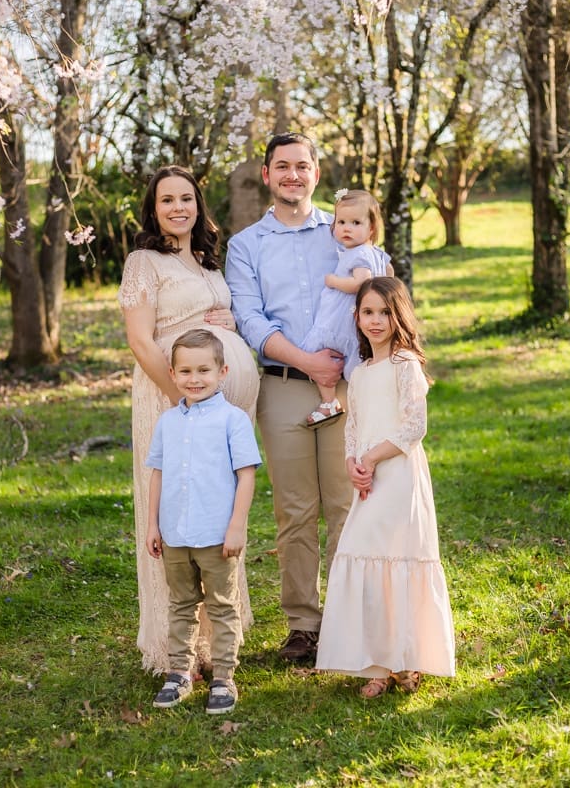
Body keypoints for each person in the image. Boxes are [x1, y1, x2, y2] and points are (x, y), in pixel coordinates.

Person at [118, 165, 260, 676]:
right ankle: (176, 645)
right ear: (153, 209)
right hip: (174, 399)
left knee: (215, 508)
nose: (178, 207)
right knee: (179, 508)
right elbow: (140, 340)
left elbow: (214, 319)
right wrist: (184, 399)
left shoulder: (204, 259)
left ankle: (216, 638)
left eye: (186, 198)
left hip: (217, 405)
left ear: (198, 205)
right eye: (167, 200)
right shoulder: (143, 261)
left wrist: (230, 322)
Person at [225, 132, 352, 664]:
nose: (292, 175)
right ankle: (304, 625)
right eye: (282, 166)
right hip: (280, 386)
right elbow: (250, 319)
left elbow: (374, 286)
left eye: (302, 166)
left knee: (347, 504)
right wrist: (307, 361)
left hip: (345, 385)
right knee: (295, 510)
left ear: (316, 174)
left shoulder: (342, 231)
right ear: (267, 174)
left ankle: (349, 619)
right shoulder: (245, 245)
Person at [315, 276, 456, 696]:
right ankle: (376, 664)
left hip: (398, 477)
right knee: (366, 556)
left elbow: (414, 426)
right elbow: (353, 426)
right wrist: (352, 462)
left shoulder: (404, 364)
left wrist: (373, 458)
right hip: (368, 479)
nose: (375, 321)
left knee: (398, 557)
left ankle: (406, 660)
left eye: (384, 312)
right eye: (368, 312)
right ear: (357, 317)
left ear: (399, 316)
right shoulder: (359, 373)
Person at [146, 329, 262, 714]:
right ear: (173, 374)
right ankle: (179, 672)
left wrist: (237, 526)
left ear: (222, 372)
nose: (194, 379)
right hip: (175, 534)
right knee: (181, 604)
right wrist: (153, 525)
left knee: (222, 606)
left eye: (203, 370)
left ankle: (224, 676)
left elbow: (246, 475)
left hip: (216, 534)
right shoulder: (167, 422)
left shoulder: (233, 420)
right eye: (185, 371)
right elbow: (158, 474)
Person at [301, 189, 393, 428]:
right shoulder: (377, 253)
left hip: (340, 321)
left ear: (371, 228)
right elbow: (390, 274)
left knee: (314, 351)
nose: (346, 228)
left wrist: (333, 281)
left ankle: (329, 401)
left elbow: (360, 283)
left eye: (355, 223)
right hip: (358, 322)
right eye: (341, 222)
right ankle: (368, 404)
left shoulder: (357, 255)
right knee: (357, 366)